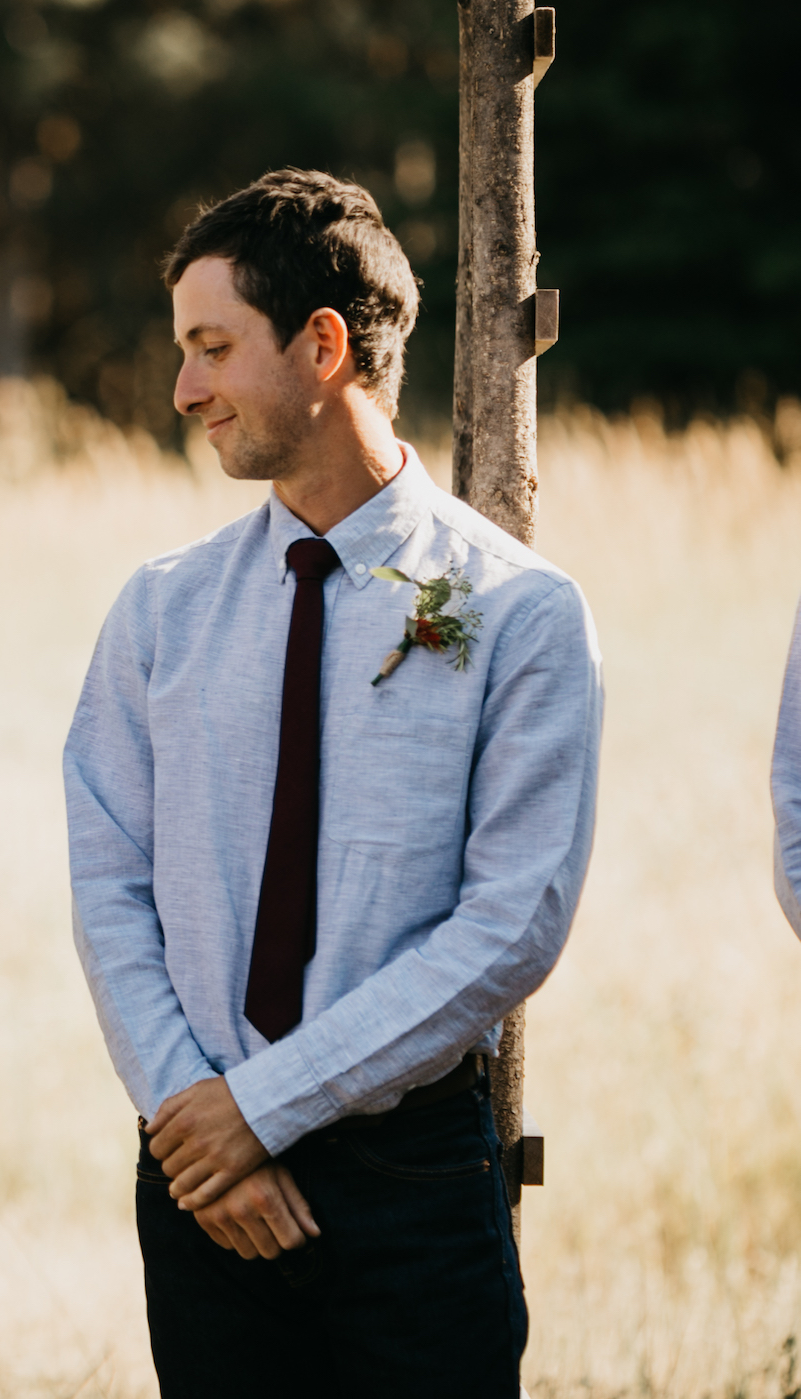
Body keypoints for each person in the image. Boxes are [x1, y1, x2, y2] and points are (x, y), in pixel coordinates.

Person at [64, 170, 603, 1396]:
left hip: (407, 1187)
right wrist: (197, 1116)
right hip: (195, 1169)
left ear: (322, 345)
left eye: (211, 348)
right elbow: (108, 875)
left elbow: (513, 916)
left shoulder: (515, 610)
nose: (182, 389)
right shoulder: (160, 608)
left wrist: (271, 1103)